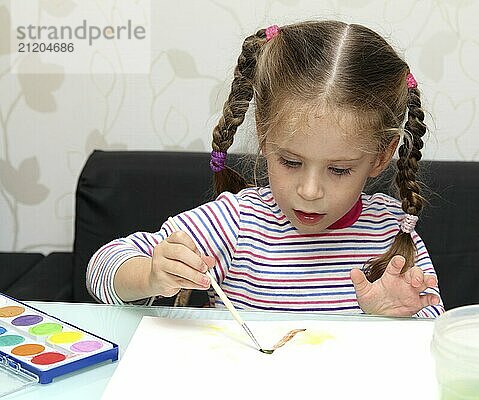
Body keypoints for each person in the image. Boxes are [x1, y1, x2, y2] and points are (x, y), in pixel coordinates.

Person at [87, 21, 443, 317]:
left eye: (338, 170)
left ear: (381, 157)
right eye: (291, 162)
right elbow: (102, 267)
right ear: (263, 135)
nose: (309, 191)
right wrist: (151, 274)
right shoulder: (237, 222)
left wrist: (388, 319)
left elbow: (432, 328)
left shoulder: (391, 230)